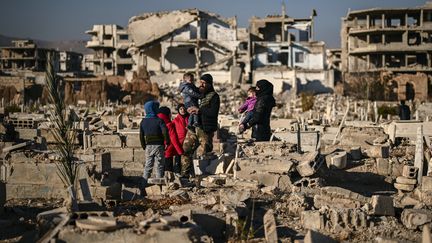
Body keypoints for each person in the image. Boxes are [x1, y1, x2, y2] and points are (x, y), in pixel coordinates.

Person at [181, 74, 220, 178]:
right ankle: (186, 174)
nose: (201, 85)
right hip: (193, 127)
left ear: (209, 84)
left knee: (204, 153)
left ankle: (205, 178)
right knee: (185, 150)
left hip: (205, 129)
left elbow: (213, 112)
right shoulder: (196, 93)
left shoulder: (214, 96)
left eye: (204, 83)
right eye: (200, 82)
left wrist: (199, 110)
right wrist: (187, 110)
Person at [139, 100, 170, 185]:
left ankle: (143, 186)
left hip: (148, 146)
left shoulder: (143, 121)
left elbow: (141, 135)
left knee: (148, 166)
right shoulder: (159, 120)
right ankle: (158, 186)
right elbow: (165, 132)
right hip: (159, 146)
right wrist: (167, 142)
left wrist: (143, 146)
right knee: (159, 166)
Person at [157, 106, 184, 172]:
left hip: (158, 149)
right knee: (168, 169)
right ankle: (169, 181)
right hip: (168, 151)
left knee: (160, 167)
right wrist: (180, 151)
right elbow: (174, 139)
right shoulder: (169, 125)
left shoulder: (155, 123)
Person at [172, 104, 189, 173]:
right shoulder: (176, 120)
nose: (183, 110)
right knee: (178, 158)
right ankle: (177, 172)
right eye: (181, 109)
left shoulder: (189, 118)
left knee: (187, 158)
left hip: (188, 141)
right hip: (179, 142)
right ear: (178, 110)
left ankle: (186, 173)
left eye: (184, 108)